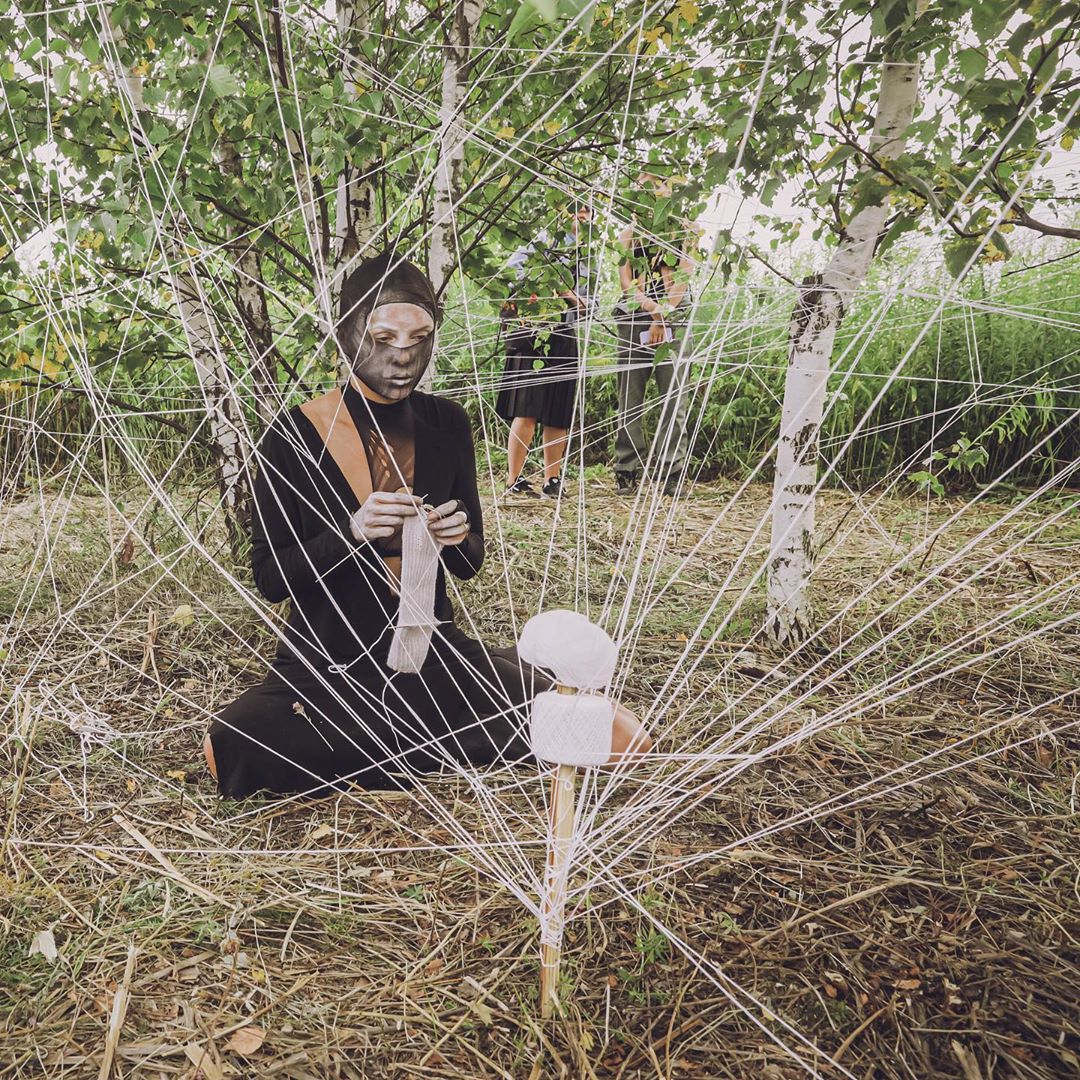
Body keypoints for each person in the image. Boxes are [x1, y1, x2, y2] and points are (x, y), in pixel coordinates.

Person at [204, 250, 648, 799]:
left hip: (430, 655)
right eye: (384, 338)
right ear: (346, 336)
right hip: (327, 665)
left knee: (622, 737)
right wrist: (353, 533)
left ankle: (469, 704)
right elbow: (272, 579)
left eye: (419, 339)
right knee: (231, 746)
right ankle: (443, 734)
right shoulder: (295, 432)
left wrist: (455, 538)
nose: (402, 357)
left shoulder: (446, 422)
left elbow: (469, 562)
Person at [495, 207, 595, 500]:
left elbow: (592, 305)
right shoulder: (540, 242)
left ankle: (553, 480)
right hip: (532, 335)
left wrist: (566, 294)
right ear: (563, 213)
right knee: (526, 410)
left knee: (558, 413)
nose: (583, 219)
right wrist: (541, 290)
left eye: (589, 214)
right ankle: (513, 479)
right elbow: (509, 276)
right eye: (578, 212)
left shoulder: (589, 257)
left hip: (564, 337)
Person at [613, 174, 700, 496]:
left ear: (670, 190)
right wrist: (652, 312)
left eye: (658, 185)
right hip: (634, 322)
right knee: (629, 399)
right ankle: (626, 469)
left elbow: (683, 277)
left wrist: (663, 316)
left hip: (675, 323)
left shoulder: (687, 231)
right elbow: (626, 283)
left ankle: (672, 472)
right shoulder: (628, 234)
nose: (650, 191)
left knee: (673, 399)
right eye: (642, 185)